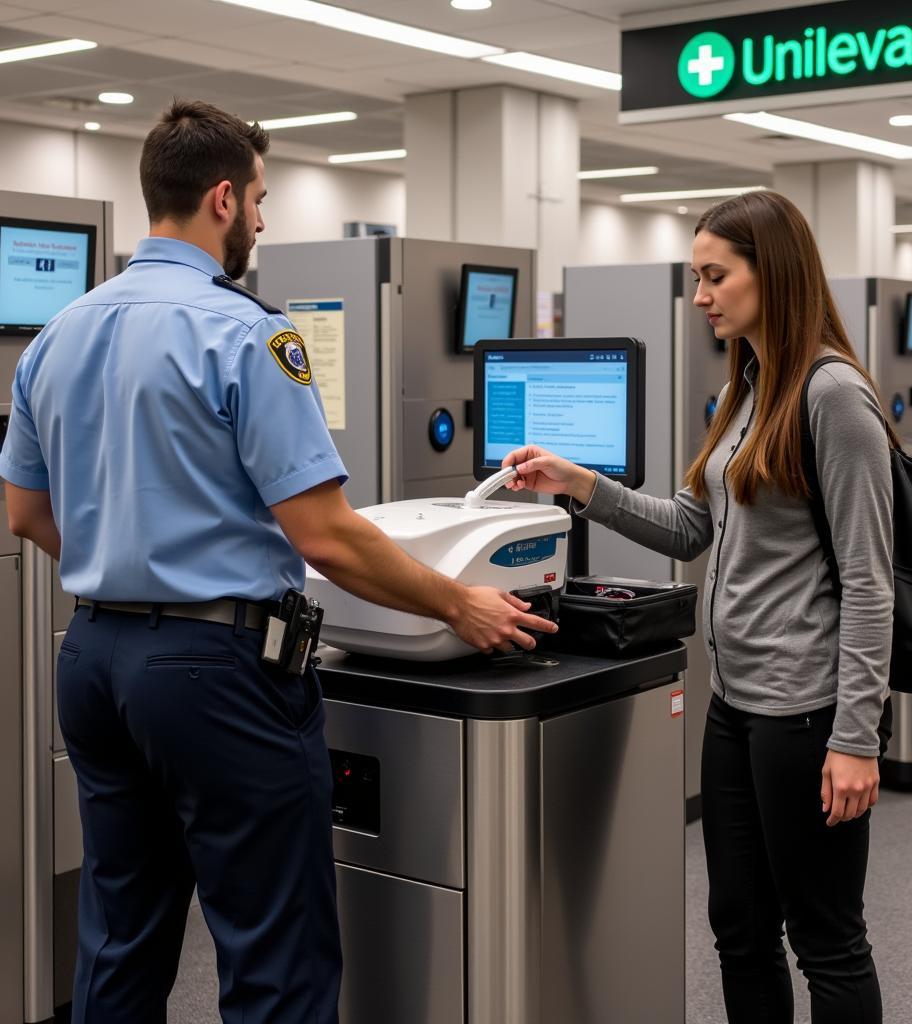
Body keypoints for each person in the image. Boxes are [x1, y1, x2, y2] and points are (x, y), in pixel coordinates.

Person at [0, 99, 555, 1024]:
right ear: (222, 198)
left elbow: (24, 510)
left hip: (93, 660)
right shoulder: (252, 334)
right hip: (217, 676)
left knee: (121, 935)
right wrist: (460, 605)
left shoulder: (61, 333)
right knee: (275, 954)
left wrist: (128, 565)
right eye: (259, 199)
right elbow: (327, 535)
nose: (261, 220)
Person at [502, 190, 893, 1023]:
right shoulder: (748, 389)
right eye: (697, 277)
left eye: (716, 276)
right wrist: (579, 484)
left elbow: (869, 579)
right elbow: (690, 530)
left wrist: (857, 736)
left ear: (773, 274)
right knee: (739, 930)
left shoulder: (833, 395)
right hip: (736, 708)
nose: (702, 296)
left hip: (806, 713)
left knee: (826, 939)